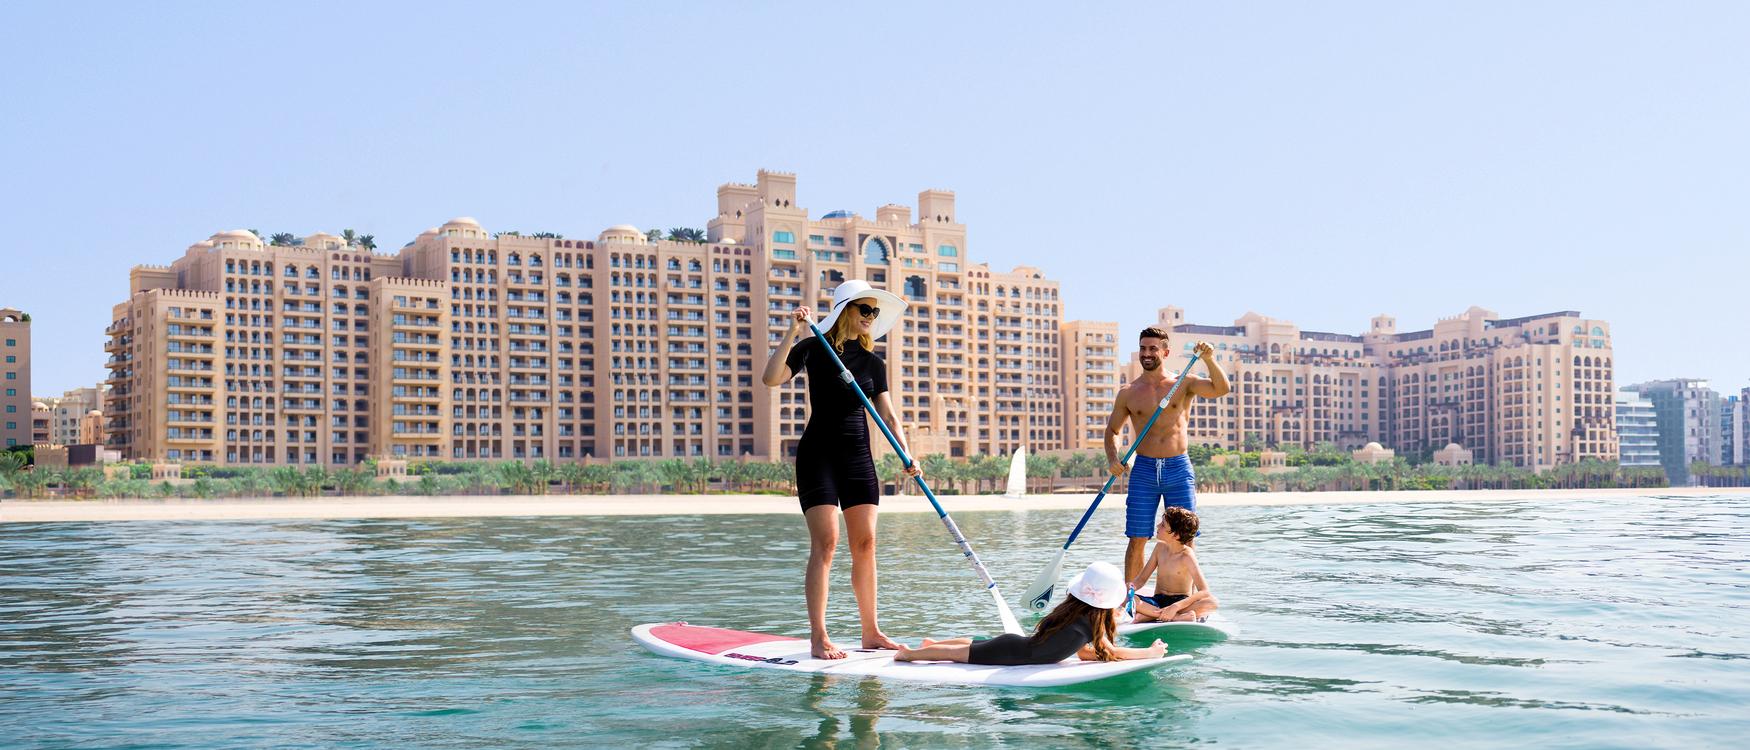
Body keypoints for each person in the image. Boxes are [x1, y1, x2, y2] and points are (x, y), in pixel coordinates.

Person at [761, 279, 918, 660]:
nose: (870, 317)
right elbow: (771, 379)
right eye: (865, 309)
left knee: (866, 544)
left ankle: (871, 631)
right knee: (827, 543)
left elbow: (889, 416)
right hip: (819, 456)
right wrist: (793, 331)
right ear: (845, 309)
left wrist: (906, 454)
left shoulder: (872, 362)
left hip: (858, 457)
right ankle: (819, 637)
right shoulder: (813, 348)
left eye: (874, 312)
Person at [1107, 327, 1231, 583]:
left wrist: (1209, 359)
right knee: (1137, 537)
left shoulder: (1184, 383)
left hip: (1178, 468)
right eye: (1143, 348)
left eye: (1153, 348)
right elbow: (1112, 431)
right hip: (1144, 470)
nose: (1147, 353)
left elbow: (1221, 388)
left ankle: (1183, 597)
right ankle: (1132, 597)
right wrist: (1113, 458)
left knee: (1185, 538)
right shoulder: (1128, 392)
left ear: (1165, 352)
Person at [895, 561, 1165, 665]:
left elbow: (1084, 654)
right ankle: (910, 654)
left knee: (974, 644)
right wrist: (1149, 653)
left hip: (1016, 646)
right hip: (1013, 653)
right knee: (959, 654)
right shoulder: (1088, 623)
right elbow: (1111, 652)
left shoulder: (1077, 616)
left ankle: (931, 644)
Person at [1129, 507, 1220, 623]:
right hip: (1157, 601)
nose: (1157, 526)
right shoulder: (1159, 548)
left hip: (1180, 603)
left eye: (1163, 525)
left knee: (1212, 603)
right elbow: (1141, 579)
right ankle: (1175, 617)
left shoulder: (1187, 556)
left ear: (1176, 535)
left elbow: (1204, 591)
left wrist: (1175, 607)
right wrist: (1131, 587)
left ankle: (1150, 614)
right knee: (1125, 597)